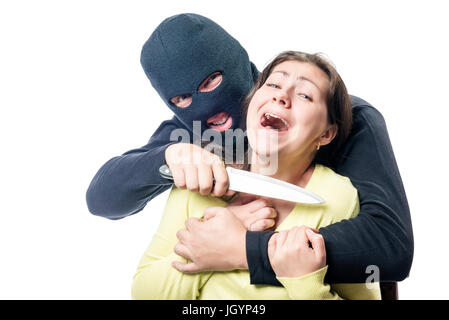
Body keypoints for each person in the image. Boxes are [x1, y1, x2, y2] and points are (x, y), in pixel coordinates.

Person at [86, 13, 413, 285]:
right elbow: (102, 198)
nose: (205, 108)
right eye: (181, 99)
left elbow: (390, 247)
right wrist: (166, 158)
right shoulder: (190, 135)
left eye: (211, 82)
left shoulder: (344, 120)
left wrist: (243, 249)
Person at [132, 51, 382, 299]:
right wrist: (210, 240)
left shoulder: (338, 197)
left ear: (325, 134)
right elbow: (143, 293)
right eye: (273, 84)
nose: (282, 95)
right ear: (251, 105)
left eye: (305, 94)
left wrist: (305, 284)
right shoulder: (202, 178)